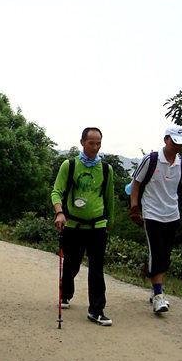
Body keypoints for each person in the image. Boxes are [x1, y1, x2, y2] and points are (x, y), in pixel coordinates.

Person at [129, 125, 182, 314]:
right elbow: (136, 183)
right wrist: (135, 207)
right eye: (175, 142)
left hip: (172, 215)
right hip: (151, 214)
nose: (178, 147)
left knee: (165, 255)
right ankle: (159, 295)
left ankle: (155, 288)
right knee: (156, 253)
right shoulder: (150, 160)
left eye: (181, 144)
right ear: (166, 139)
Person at [51, 127, 116, 326]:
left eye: (98, 143)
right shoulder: (69, 165)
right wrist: (59, 212)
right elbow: (56, 191)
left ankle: (96, 310)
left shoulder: (106, 169)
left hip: (97, 225)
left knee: (97, 268)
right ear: (82, 142)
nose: (95, 147)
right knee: (72, 262)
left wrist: (110, 222)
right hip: (74, 225)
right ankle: (66, 292)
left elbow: (109, 198)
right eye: (91, 143)